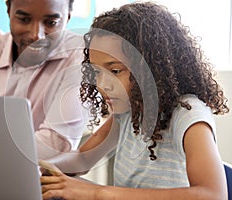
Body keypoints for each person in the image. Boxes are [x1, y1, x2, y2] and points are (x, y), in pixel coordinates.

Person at [40, 2, 230, 199]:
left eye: (115, 71)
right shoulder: (127, 110)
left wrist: (99, 193)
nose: (103, 84)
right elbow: (83, 159)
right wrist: (41, 167)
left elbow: (213, 194)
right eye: (96, 72)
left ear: (151, 67)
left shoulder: (189, 115)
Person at [0, 0, 87, 159]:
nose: (36, 35)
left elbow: (54, 144)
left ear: (67, 17)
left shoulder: (82, 59)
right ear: (8, 10)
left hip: (39, 179)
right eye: (24, 20)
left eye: (51, 23)